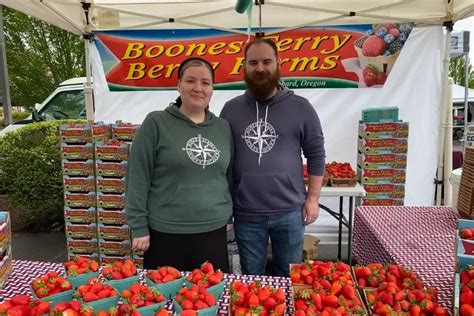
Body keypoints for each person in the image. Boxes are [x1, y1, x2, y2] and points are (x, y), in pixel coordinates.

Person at [220, 38, 325, 276]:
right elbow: (222, 161)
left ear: (278, 64)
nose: (260, 68)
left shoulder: (301, 107)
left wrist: (313, 198)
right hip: (246, 214)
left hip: (289, 212)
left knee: (288, 276)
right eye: (253, 62)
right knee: (252, 278)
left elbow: (316, 154)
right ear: (243, 67)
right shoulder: (230, 109)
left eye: (267, 61)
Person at [125, 57, 233, 272]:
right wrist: (138, 226)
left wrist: (228, 215)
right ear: (179, 85)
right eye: (190, 81)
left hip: (213, 230)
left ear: (212, 89)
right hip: (166, 232)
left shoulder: (223, 127)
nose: (198, 88)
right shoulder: (156, 123)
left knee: (209, 298)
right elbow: (137, 176)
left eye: (205, 83)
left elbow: (228, 176)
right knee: (165, 300)